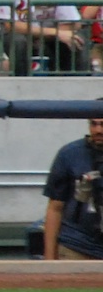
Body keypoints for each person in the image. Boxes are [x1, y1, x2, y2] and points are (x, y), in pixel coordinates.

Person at [40, 109, 103, 261]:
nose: (98, 130)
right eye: (93, 124)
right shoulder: (70, 154)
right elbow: (55, 208)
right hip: (76, 245)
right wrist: (49, 259)